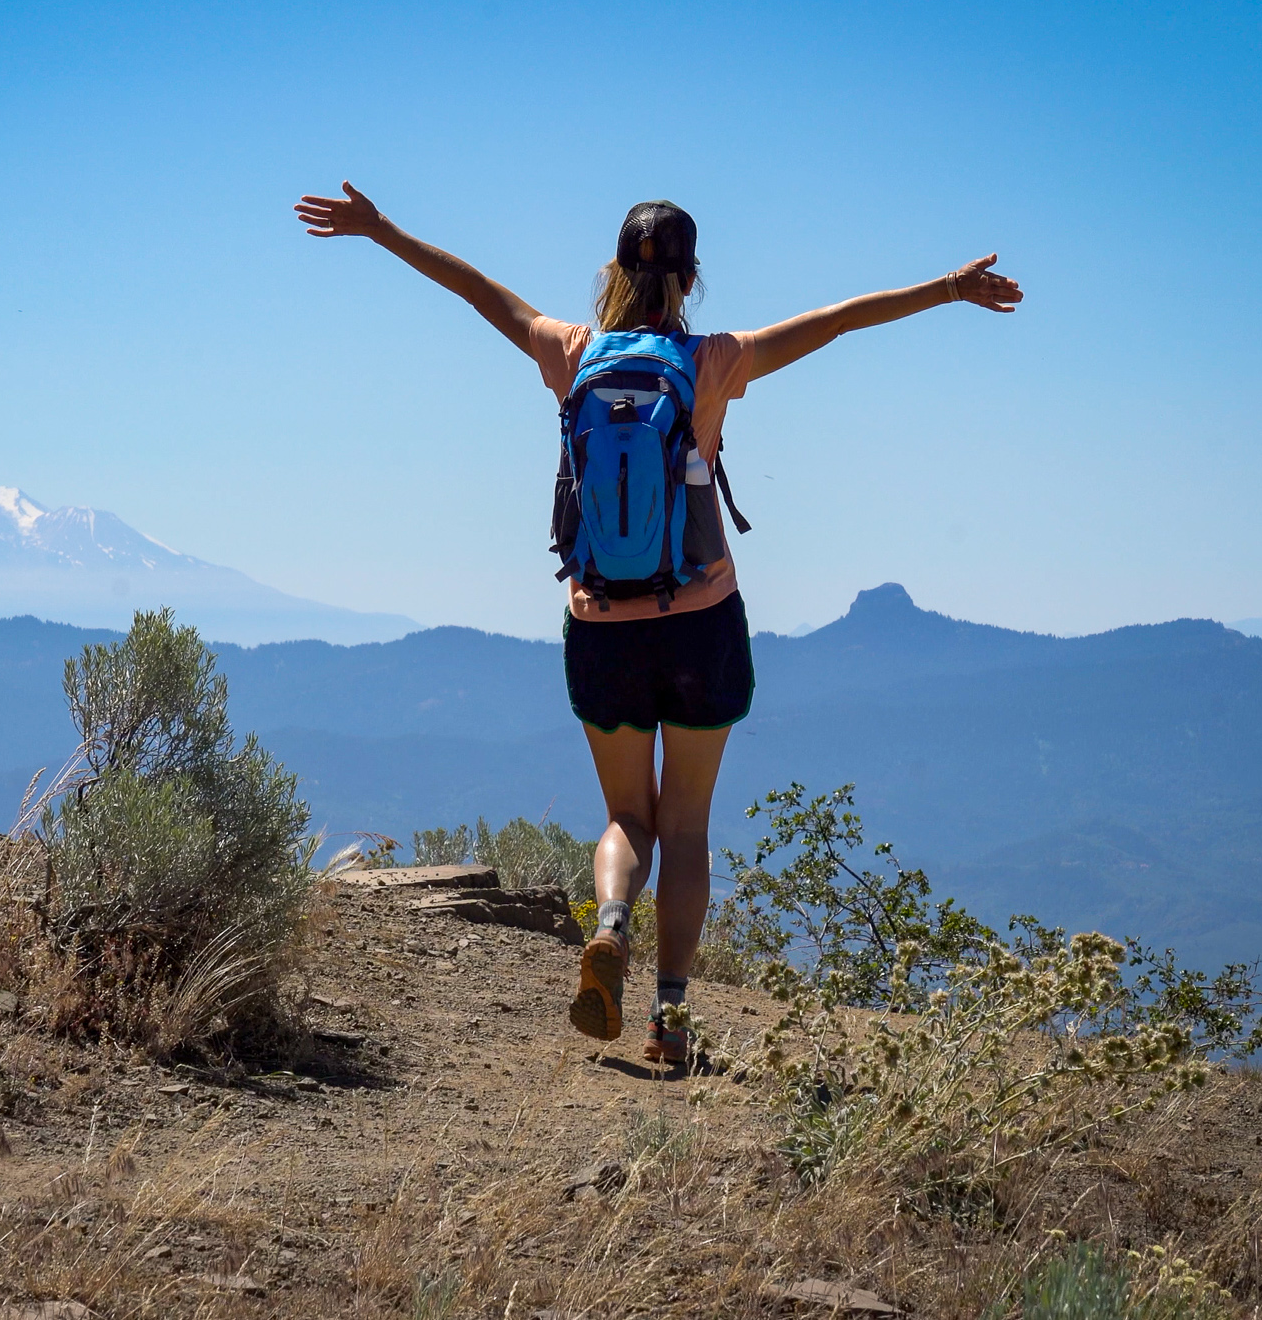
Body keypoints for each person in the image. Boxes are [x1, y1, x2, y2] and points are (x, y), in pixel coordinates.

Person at [296, 182, 1022, 1064]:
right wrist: (947, 288)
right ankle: (669, 1019)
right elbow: (836, 321)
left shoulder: (571, 351)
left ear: (614, 270)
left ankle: (610, 923)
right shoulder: (714, 360)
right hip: (701, 621)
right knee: (685, 827)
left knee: (626, 817)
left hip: (602, 623)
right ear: (691, 277)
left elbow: (479, 291)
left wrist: (381, 230)